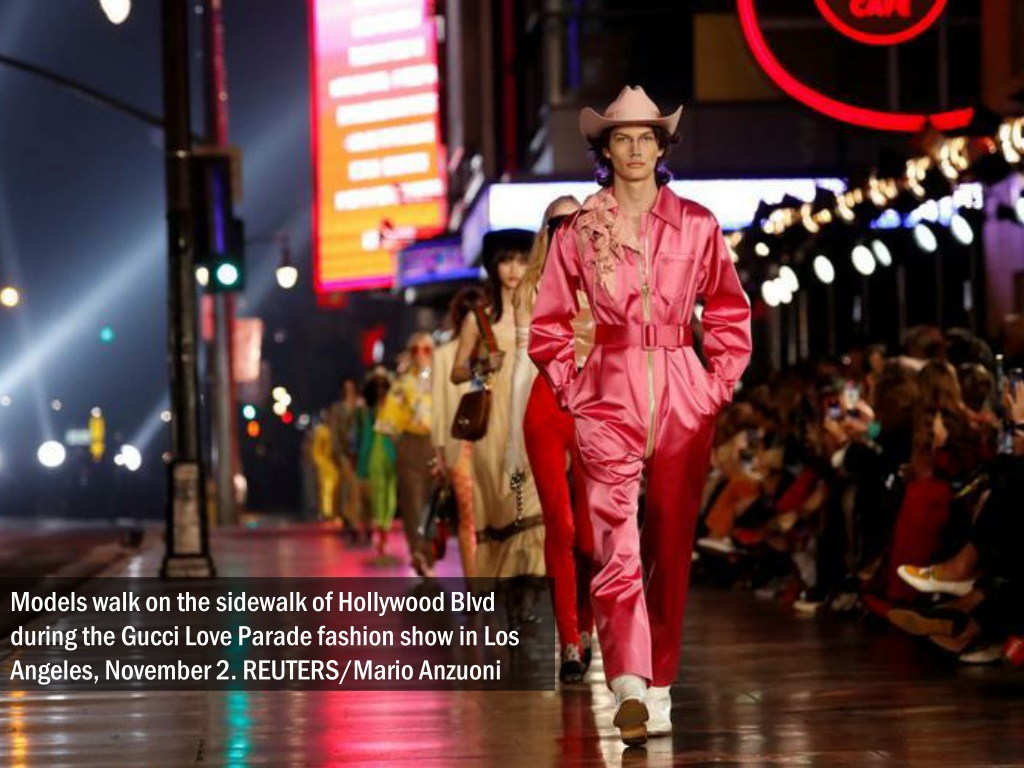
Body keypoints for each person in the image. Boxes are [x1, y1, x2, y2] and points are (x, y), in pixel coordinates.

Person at [529, 85, 752, 744]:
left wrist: (717, 385)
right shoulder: (581, 228)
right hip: (607, 389)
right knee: (614, 544)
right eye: (621, 139)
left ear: (662, 147)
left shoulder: (698, 224)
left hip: (684, 388)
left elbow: (729, 310)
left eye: (644, 138)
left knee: (671, 545)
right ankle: (627, 680)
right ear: (605, 150)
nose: (633, 149)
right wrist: (572, 389)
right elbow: (548, 322)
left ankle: (660, 683)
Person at [505, 195, 599, 683]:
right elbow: (522, 368)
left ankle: (585, 626)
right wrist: (509, 445)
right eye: (557, 223)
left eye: (574, 220)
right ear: (546, 230)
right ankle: (568, 643)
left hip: (593, 408)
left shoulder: (606, 277)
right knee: (560, 527)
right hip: (544, 406)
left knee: (591, 536)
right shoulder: (532, 287)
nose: (566, 229)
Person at [452, 229, 546, 623]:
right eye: (506, 260)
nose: (514, 269)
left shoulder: (544, 309)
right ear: (494, 266)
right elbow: (457, 372)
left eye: (522, 260)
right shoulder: (479, 320)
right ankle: (510, 595)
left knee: (532, 507)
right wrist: (480, 364)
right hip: (493, 429)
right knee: (500, 508)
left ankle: (526, 595)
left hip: (534, 416)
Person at [431, 286, 486, 579]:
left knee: (493, 515)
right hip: (461, 445)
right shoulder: (444, 355)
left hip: (494, 441)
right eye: (468, 313)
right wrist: (439, 455)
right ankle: (475, 586)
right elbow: (439, 407)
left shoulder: (496, 348)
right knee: (468, 516)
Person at [376, 333, 436, 576]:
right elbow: (387, 422)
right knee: (413, 501)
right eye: (415, 350)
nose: (421, 355)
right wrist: (400, 444)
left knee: (433, 502)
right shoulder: (403, 383)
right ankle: (418, 551)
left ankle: (429, 552)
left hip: (437, 444)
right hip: (411, 443)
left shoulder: (441, 381)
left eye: (426, 349)